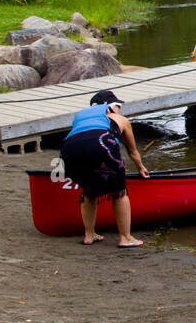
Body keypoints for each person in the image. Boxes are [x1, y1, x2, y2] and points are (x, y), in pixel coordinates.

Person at [58, 89, 149, 247]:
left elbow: (81, 137)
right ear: (111, 106)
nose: (120, 109)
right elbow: (132, 151)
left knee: (89, 191)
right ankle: (126, 238)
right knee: (119, 191)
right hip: (100, 142)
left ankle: (89, 235)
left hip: (68, 150)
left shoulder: (82, 116)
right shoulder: (118, 118)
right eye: (119, 105)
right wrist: (140, 167)